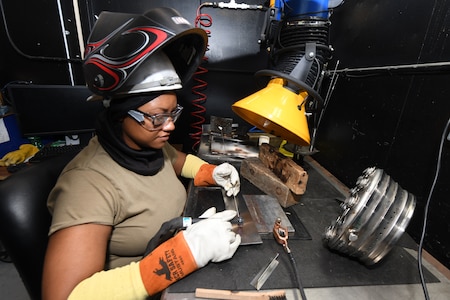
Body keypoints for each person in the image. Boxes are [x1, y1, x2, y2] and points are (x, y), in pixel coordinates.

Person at [42, 7, 241, 300]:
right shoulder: (87, 185)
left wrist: (209, 171)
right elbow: (64, 295)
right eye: (158, 116)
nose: (170, 125)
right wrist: (183, 255)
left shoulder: (148, 145)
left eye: (174, 112)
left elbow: (178, 161)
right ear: (121, 115)